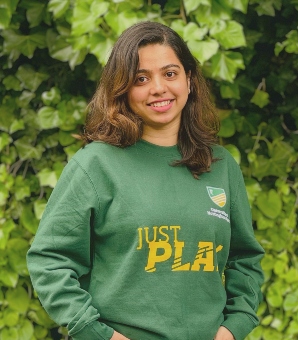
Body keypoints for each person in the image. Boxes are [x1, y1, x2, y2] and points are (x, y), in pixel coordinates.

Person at [26, 21, 264, 340]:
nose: (158, 88)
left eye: (170, 73)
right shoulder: (95, 165)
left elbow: (244, 257)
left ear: (189, 80)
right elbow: (49, 259)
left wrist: (233, 327)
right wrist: (96, 333)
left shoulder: (220, 165)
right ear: (123, 88)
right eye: (141, 78)